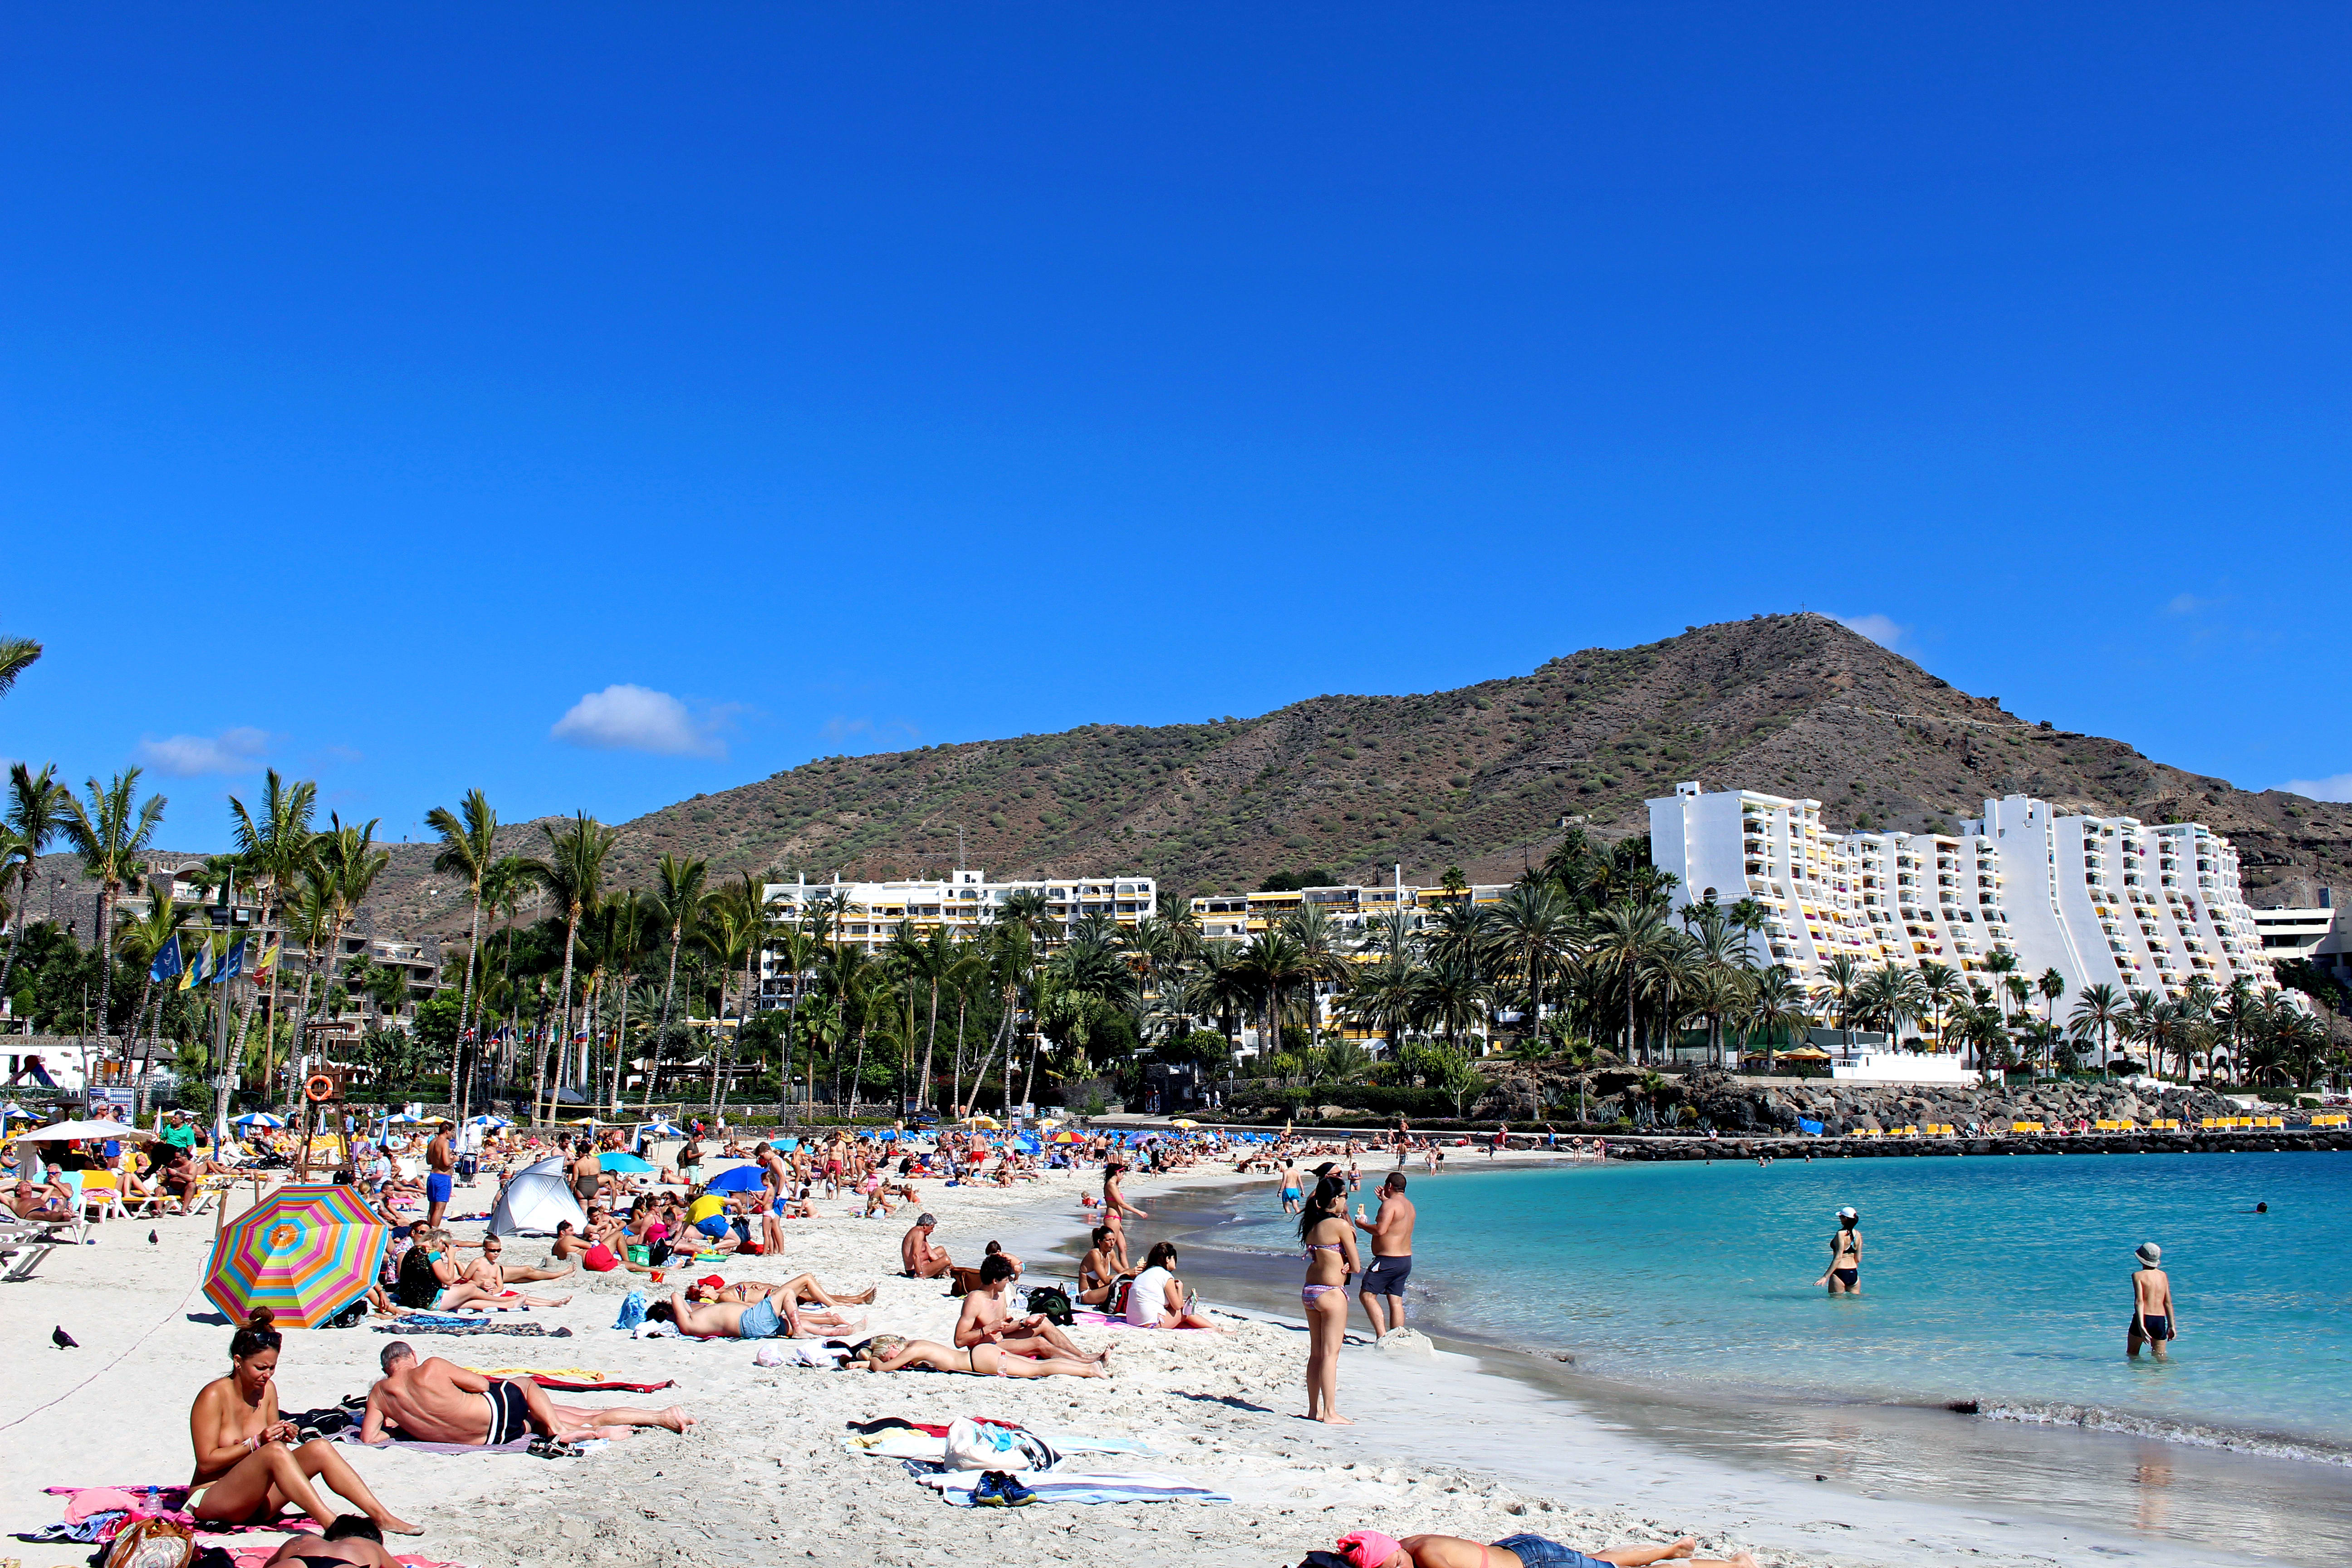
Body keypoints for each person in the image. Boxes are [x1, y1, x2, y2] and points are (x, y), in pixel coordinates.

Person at [188, 1308, 419, 1534]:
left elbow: (275, 1450)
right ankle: (332, 1525)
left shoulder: (267, 1391)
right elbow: (207, 1463)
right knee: (274, 1452)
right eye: (260, 1368)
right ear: (238, 1362)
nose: (267, 1375)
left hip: (256, 1499)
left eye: (272, 1368)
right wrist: (256, 1442)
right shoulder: (213, 1396)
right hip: (214, 1497)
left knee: (320, 1448)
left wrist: (284, 1435)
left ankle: (382, 1517)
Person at [363, 1341, 691, 1442]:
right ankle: (562, 1430)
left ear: (387, 1368)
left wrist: (402, 1426)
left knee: (561, 1418)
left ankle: (595, 1432)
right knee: (525, 1385)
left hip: (487, 1438)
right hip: (495, 1414)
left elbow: (369, 1438)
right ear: (412, 1356)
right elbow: (482, 1385)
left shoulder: (379, 1395)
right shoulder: (431, 1367)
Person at [1333, 1526, 1757, 1568]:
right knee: (1594, 1562)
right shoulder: (1407, 1546)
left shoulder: (1424, 1556)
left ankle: (1738, 1566)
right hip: (1519, 1550)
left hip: (1536, 1562)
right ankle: (1673, 1550)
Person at [957, 1254, 1107, 1361]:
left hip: (1001, 1339)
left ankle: (1082, 1356)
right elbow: (959, 1340)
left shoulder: (1000, 1295)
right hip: (985, 1348)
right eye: (1006, 1279)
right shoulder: (975, 1300)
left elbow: (1003, 1328)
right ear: (995, 1281)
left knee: (1044, 1323)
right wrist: (987, 1329)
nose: (1009, 1282)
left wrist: (1024, 1322)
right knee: (1040, 1343)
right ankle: (1085, 1363)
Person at [1299, 1175, 1358, 1424]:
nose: (1346, 1200)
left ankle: (1314, 1410)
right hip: (1332, 1293)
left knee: (1316, 1353)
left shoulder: (1313, 1224)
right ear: (1335, 1199)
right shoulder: (1340, 1226)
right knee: (1330, 1355)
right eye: (1345, 1196)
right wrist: (1348, 1264)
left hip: (1310, 1291)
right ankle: (1330, 1413)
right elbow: (1357, 1265)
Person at [858, 1333, 1108, 1379]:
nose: (891, 1358)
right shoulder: (916, 1344)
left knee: (1037, 1369)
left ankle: (1089, 1370)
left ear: (890, 1347)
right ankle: (1090, 1367)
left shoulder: (912, 1351)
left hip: (978, 1362)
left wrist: (871, 1361)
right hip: (979, 1355)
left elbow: (882, 1369)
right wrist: (860, 1362)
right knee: (1036, 1366)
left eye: (887, 1354)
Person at [1352, 1171, 1416, 1338]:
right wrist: (1385, 1201)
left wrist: (1362, 1225)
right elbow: (1396, 1222)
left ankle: (1382, 1336)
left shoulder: (1390, 1205)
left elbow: (1381, 1230)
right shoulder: (1409, 1206)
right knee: (1396, 1301)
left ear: (1389, 1186)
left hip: (1388, 1260)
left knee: (1367, 1295)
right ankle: (1397, 1337)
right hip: (1405, 1260)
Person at [1125, 1240, 1224, 1331]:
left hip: (1134, 1321)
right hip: (1150, 1322)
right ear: (1168, 1259)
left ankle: (1206, 1330)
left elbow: (1168, 1304)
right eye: (1174, 1258)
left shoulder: (1144, 1274)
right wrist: (1180, 1288)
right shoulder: (1165, 1275)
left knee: (1180, 1321)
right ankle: (1215, 1329)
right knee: (1185, 1313)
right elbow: (1177, 1306)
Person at [262, 1515, 403, 1568]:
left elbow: (268, 1565)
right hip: (346, 1565)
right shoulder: (368, 1544)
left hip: (296, 1563)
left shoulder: (303, 1540)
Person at [2127, 1242, 2177, 1359]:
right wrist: (2172, 1326)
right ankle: (2162, 1373)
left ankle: (2137, 1373)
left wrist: (2141, 1326)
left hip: (2143, 1318)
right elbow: (2168, 1303)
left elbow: (2139, 1302)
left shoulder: (2138, 1276)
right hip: (2159, 1320)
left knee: (2133, 1355)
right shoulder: (2163, 1275)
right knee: (2161, 1358)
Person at [1076, 1225, 1134, 1307]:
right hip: (1087, 1295)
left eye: (1114, 1240)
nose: (1112, 1243)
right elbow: (1106, 1280)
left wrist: (1137, 1272)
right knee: (1119, 1286)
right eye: (1108, 1240)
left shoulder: (1111, 1254)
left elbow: (1121, 1271)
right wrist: (1128, 1273)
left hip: (1101, 1290)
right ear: (1100, 1242)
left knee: (1129, 1283)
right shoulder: (1094, 1254)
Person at [1817, 1207, 1862, 1294]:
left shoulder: (1841, 1234)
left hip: (1840, 1273)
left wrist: (1825, 1277)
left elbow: (1838, 1257)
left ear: (1845, 1219)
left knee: (1836, 1302)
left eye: (1841, 1217)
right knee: (1854, 1302)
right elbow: (1858, 1259)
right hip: (1853, 1274)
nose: (1840, 1219)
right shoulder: (1858, 1235)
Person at [422, 1125, 454, 1230]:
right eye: (452, 1131)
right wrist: (455, 1159)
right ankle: (433, 1232)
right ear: (447, 1131)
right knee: (439, 1208)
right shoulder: (444, 1142)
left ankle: (428, 1230)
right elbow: (447, 1162)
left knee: (432, 1208)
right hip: (443, 1177)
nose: (452, 1134)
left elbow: (429, 1161)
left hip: (433, 1176)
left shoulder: (432, 1142)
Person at [901, 1212, 952, 1278]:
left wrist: (945, 1266)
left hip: (923, 1264)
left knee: (941, 1250)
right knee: (947, 1260)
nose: (932, 1231)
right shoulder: (919, 1233)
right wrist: (920, 1273)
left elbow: (931, 1254)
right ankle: (953, 1271)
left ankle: (952, 1270)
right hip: (916, 1271)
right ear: (925, 1226)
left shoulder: (920, 1232)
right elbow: (915, 1255)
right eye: (932, 1228)